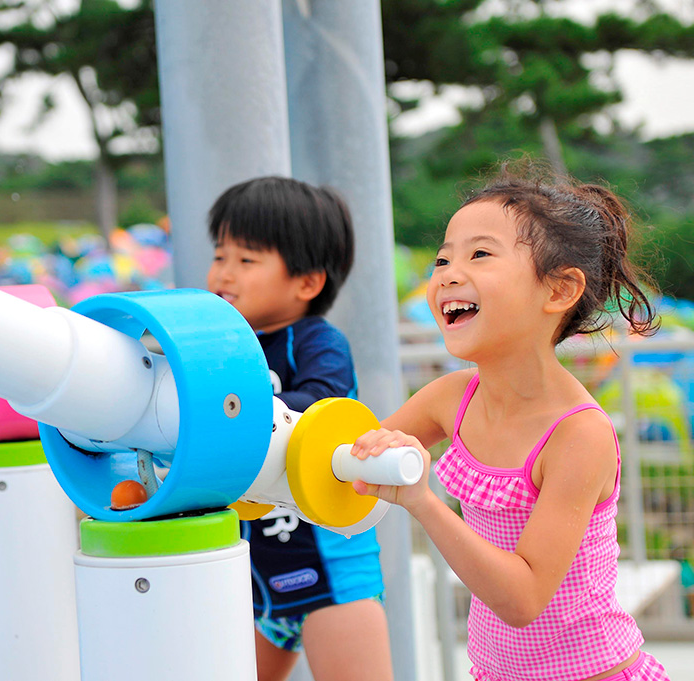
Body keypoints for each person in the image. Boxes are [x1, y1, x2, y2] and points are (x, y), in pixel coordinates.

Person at [351, 161, 670, 680]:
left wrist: (422, 502)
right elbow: (348, 458)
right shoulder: (451, 398)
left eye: (479, 254)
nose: (449, 274)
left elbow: (523, 598)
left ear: (559, 291)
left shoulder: (577, 435)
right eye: (442, 259)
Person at [206, 176, 393, 681]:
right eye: (219, 255)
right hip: (255, 583)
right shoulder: (219, 349)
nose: (224, 273)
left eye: (246, 260)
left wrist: (230, 414)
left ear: (307, 283)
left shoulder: (316, 341)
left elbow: (317, 405)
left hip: (328, 578)